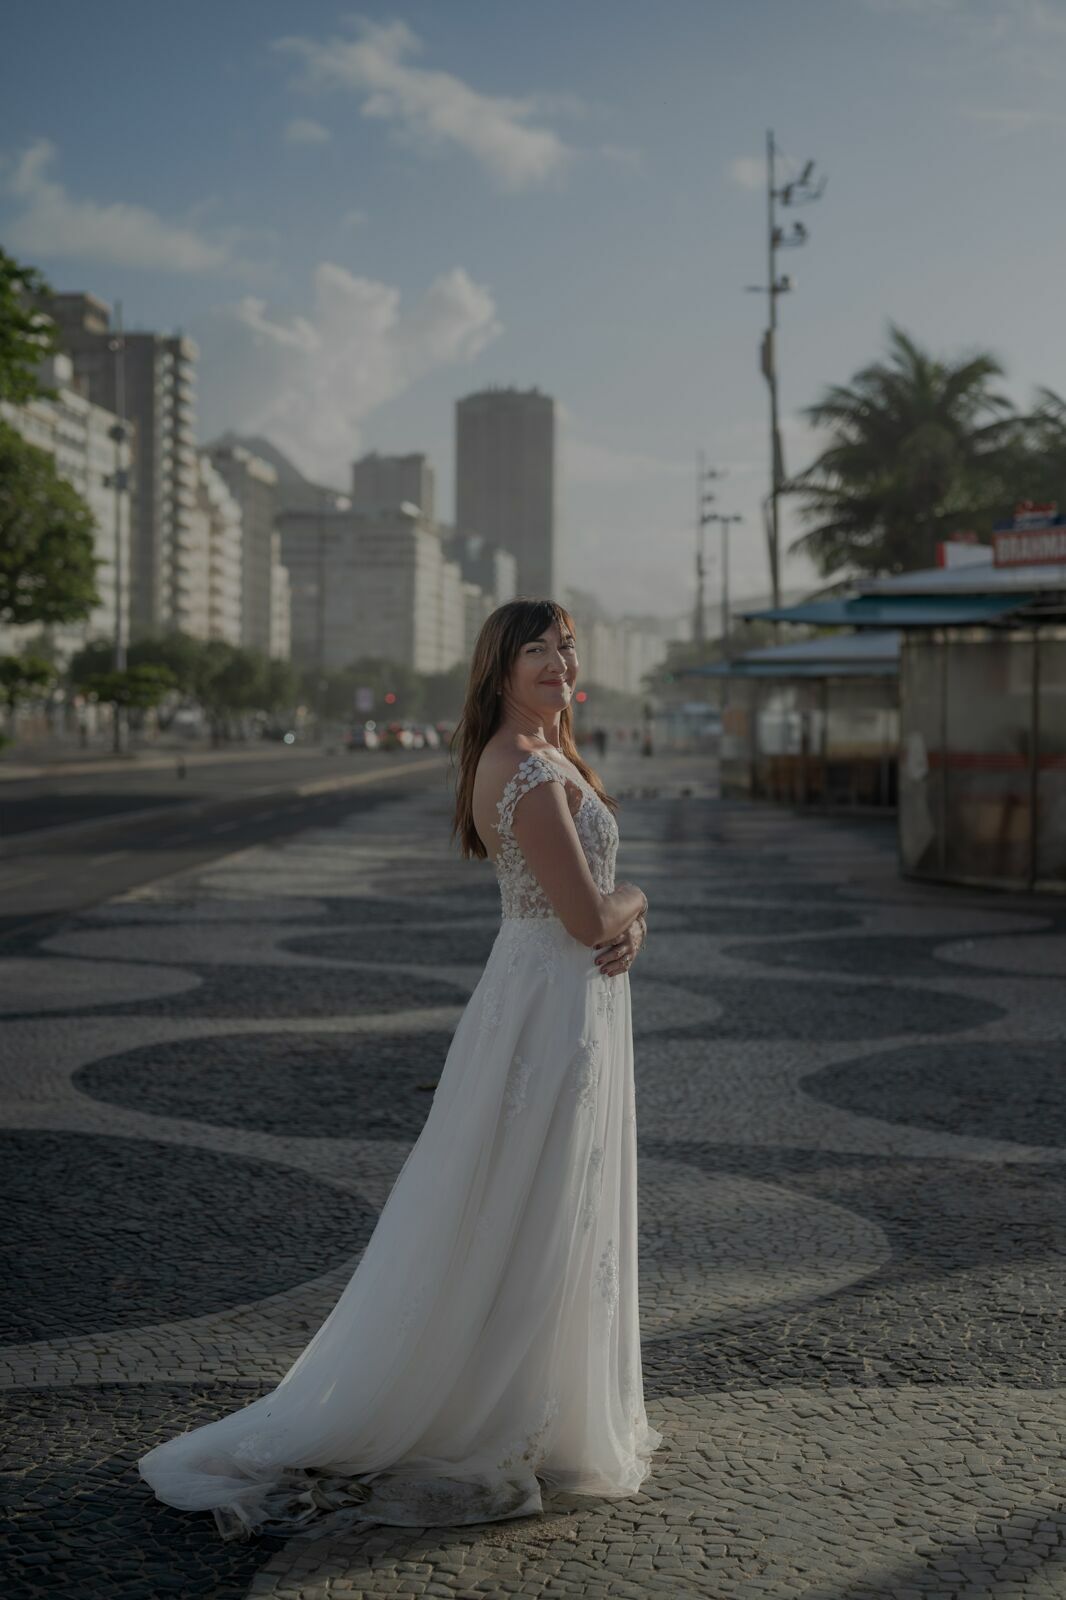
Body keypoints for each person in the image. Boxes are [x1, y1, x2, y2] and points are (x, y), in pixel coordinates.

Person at [138, 598, 660, 1542]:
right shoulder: (520, 767)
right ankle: (490, 1406)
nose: (559, 662)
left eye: (567, 647)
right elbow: (588, 917)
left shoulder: (550, 755)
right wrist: (639, 898)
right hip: (545, 1010)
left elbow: (589, 916)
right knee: (526, 1197)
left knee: (552, 1199)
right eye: (538, 650)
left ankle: (544, 1399)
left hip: (566, 999)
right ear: (500, 666)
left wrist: (625, 921)